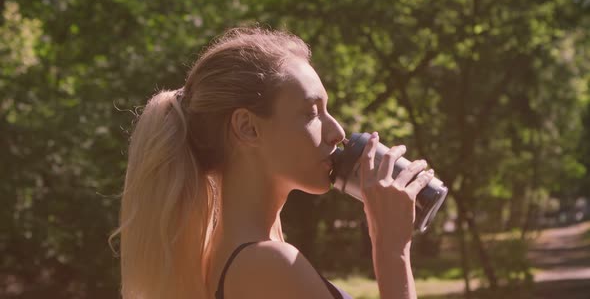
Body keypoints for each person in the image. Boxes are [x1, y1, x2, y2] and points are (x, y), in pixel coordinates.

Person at [110, 27, 434, 299]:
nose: (337, 131)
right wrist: (392, 251)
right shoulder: (266, 265)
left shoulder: (230, 257)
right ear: (248, 128)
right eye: (311, 113)